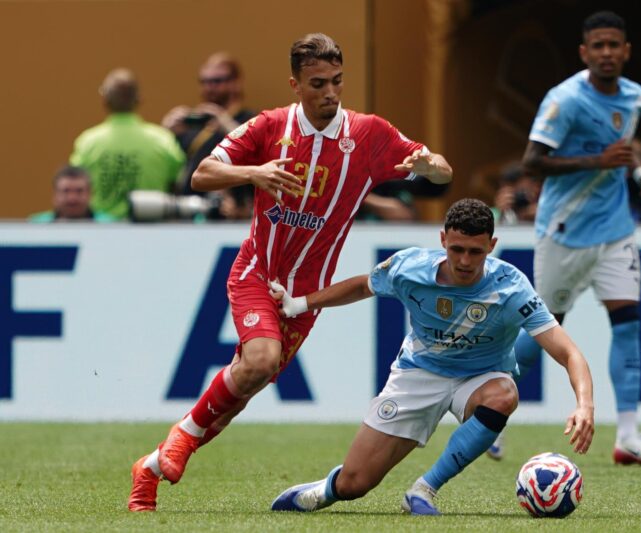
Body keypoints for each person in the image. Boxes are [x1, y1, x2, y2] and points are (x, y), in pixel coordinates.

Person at [127, 33, 453, 512]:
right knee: (258, 362)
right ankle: (179, 440)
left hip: (307, 296)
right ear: (296, 84)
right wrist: (253, 173)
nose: (330, 93)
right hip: (258, 271)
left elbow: (441, 174)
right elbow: (202, 175)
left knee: (244, 385)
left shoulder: (369, 135)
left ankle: (151, 467)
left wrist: (431, 165)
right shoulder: (268, 126)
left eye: (337, 82)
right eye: (318, 83)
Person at [269, 199, 594, 515]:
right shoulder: (409, 268)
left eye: (475, 252)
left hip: (480, 376)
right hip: (418, 373)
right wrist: (299, 304)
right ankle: (325, 490)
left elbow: (569, 352)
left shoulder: (511, 287)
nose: (465, 261)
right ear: (442, 240)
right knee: (355, 484)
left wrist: (584, 405)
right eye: (457, 249)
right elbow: (362, 287)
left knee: (504, 395)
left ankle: (423, 490)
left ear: (492, 245)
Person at [492, 11, 641, 465]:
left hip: (615, 231)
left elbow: (621, 152)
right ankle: (489, 413)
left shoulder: (634, 96)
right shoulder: (564, 99)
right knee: (544, 331)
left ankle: (628, 434)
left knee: (628, 324)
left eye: (615, 45)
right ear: (584, 53)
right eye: (599, 46)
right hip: (565, 232)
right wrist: (599, 163)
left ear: (626, 51)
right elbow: (533, 161)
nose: (607, 53)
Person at [69, 69, 185, 219]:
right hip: (152, 230)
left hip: (101, 233)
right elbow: (178, 187)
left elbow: (75, 185)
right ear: (139, 99)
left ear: (105, 100)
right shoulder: (163, 140)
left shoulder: (87, 143)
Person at [161, 52, 257, 196]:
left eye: (217, 81)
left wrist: (225, 123)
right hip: (189, 207)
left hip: (232, 211)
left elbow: (257, 154)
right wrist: (166, 133)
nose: (209, 87)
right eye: (204, 81)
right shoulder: (195, 125)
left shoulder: (249, 120)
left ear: (236, 83)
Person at [29, 166, 114, 222]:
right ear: (55, 195)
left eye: (79, 191)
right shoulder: (35, 226)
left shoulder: (110, 226)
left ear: (90, 194)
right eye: (66, 191)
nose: (72, 198)